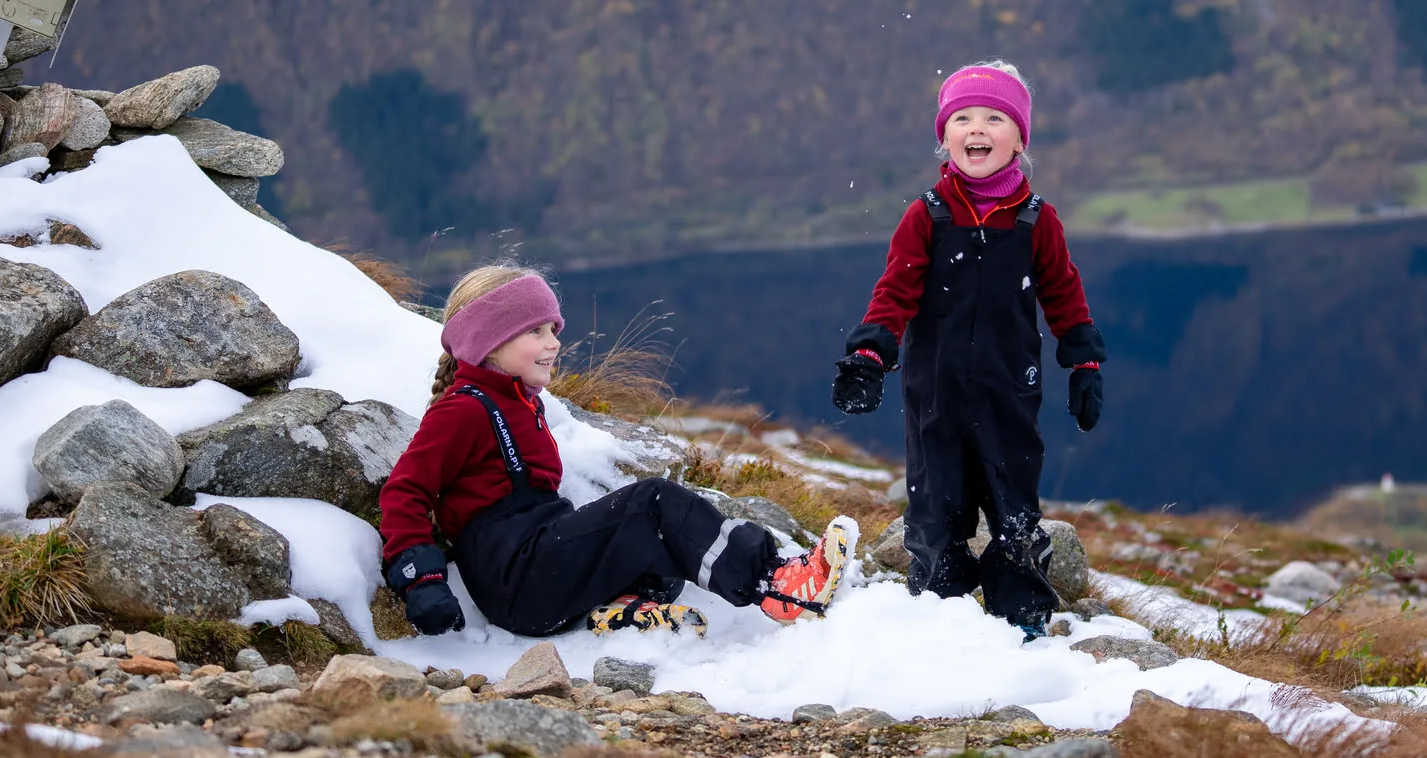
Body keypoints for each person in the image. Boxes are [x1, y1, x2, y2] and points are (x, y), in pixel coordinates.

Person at [380, 265, 856, 638]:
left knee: (650, 538)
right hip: (517, 579)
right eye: (537, 333)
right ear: (489, 343)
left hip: (534, 570)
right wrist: (420, 580)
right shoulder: (462, 411)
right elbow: (404, 491)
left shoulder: (519, 401)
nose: (554, 342)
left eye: (553, 328)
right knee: (651, 502)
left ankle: (619, 609)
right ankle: (775, 585)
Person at [831, 61, 1105, 638]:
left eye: (994, 117)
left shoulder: (1037, 221)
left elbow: (1063, 293)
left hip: (1010, 392)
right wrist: (869, 356)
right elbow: (894, 292)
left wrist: (1084, 362)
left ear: (1019, 139)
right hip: (937, 396)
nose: (976, 128)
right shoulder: (926, 215)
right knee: (936, 512)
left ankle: (1022, 622)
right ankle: (939, 622)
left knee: (1016, 513)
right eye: (962, 118)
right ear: (945, 135)